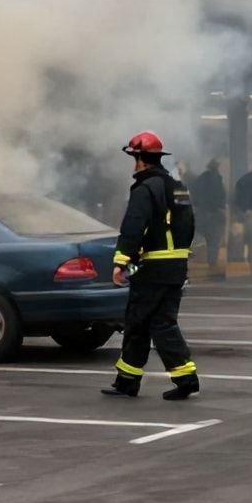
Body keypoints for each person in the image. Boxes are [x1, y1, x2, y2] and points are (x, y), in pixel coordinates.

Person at [101, 132, 200, 401]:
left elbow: (133, 226)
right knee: (163, 323)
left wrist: (122, 261)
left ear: (141, 160)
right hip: (177, 267)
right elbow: (190, 224)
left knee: (136, 322)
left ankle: (127, 383)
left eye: (134, 158)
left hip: (153, 268)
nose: (133, 165)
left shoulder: (145, 188)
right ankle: (185, 377)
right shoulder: (178, 186)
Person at [190, 158, 227, 269]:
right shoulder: (217, 178)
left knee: (201, 236)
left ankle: (197, 257)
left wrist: (198, 206)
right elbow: (220, 195)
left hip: (201, 213)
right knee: (214, 239)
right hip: (214, 213)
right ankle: (212, 262)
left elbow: (194, 193)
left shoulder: (200, 179)